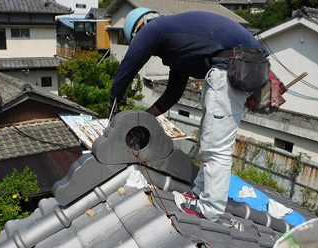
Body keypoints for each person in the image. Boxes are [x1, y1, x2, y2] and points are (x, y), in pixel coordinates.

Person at [109, 8, 267, 222]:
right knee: (208, 137)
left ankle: (209, 208)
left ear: (140, 28)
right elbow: (172, 95)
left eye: (137, 39)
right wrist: (143, 118)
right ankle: (200, 191)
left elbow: (130, 64)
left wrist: (114, 100)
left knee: (216, 146)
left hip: (234, 65)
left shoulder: (153, 28)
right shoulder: (181, 48)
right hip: (241, 64)